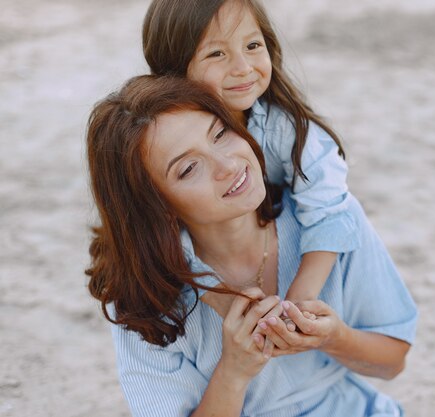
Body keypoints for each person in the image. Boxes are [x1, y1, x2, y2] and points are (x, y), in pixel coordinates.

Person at [85, 75, 418, 417]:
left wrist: (332, 337)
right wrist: (234, 371)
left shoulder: (331, 221)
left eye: (219, 133)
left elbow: (392, 363)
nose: (228, 165)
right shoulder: (144, 300)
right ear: (156, 206)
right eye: (188, 169)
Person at [142, 0, 359, 314]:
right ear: (174, 67)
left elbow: (330, 209)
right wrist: (218, 297)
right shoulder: (159, 138)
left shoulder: (287, 131)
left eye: (253, 45)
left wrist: (301, 297)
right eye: (217, 53)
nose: (243, 67)